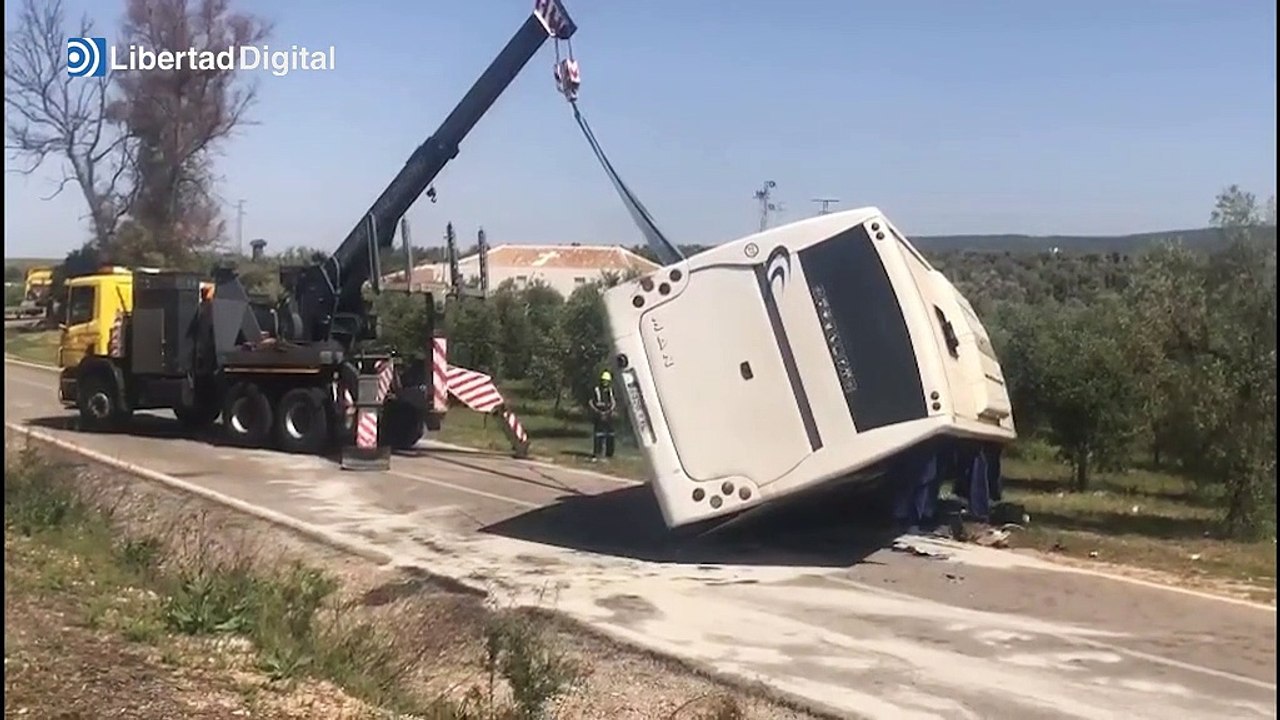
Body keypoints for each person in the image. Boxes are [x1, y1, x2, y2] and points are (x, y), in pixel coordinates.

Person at [589, 370, 617, 461]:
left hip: (608, 415)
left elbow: (613, 402)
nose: (605, 383)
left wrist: (610, 411)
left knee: (610, 434)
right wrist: (597, 412)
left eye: (607, 381)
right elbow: (591, 402)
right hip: (598, 415)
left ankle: (609, 454)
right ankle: (597, 453)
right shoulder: (596, 390)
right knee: (598, 435)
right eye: (603, 380)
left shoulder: (611, 391)